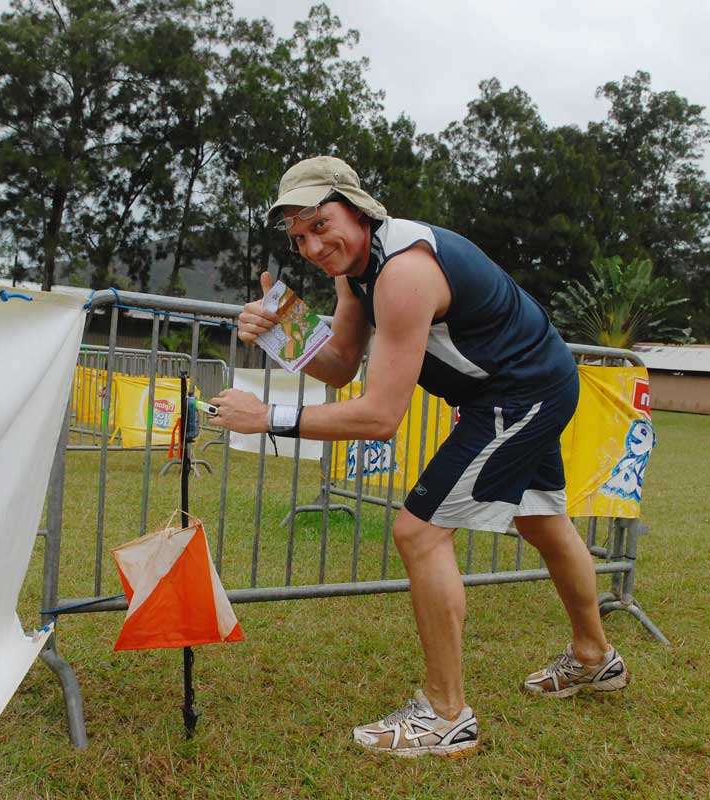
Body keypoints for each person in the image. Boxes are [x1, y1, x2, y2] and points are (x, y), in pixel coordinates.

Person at [209, 156, 629, 759]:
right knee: (541, 520)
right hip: (522, 387)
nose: (313, 247)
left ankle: (445, 715)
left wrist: (266, 416)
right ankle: (595, 657)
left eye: (321, 225)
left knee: (419, 532)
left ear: (357, 210)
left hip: (520, 392)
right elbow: (342, 364)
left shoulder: (403, 272)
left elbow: (380, 416)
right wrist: (282, 331)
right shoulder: (357, 272)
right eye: (299, 237)